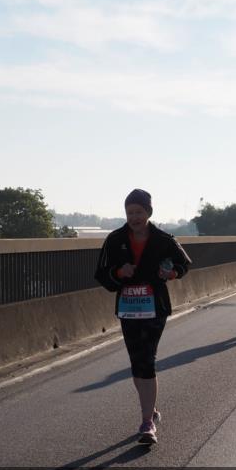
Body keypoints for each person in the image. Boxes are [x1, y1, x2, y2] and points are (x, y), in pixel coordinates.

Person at [94, 188, 192, 444]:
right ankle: (151, 409)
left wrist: (172, 274)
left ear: (148, 212)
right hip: (128, 308)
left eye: (138, 212)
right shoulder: (114, 240)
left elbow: (185, 264)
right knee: (137, 363)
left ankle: (147, 423)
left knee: (147, 359)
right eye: (129, 212)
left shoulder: (164, 239)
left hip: (154, 308)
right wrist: (119, 273)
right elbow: (101, 273)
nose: (134, 217)